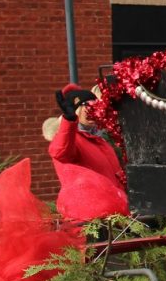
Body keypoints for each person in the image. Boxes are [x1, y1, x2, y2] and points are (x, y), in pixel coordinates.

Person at [45, 84, 128, 221]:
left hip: (112, 214)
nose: (91, 112)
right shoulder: (70, 138)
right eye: (86, 107)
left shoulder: (100, 141)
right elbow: (60, 153)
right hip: (89, 217)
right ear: (76, 111)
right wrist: (69, 121)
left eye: (95, 107)